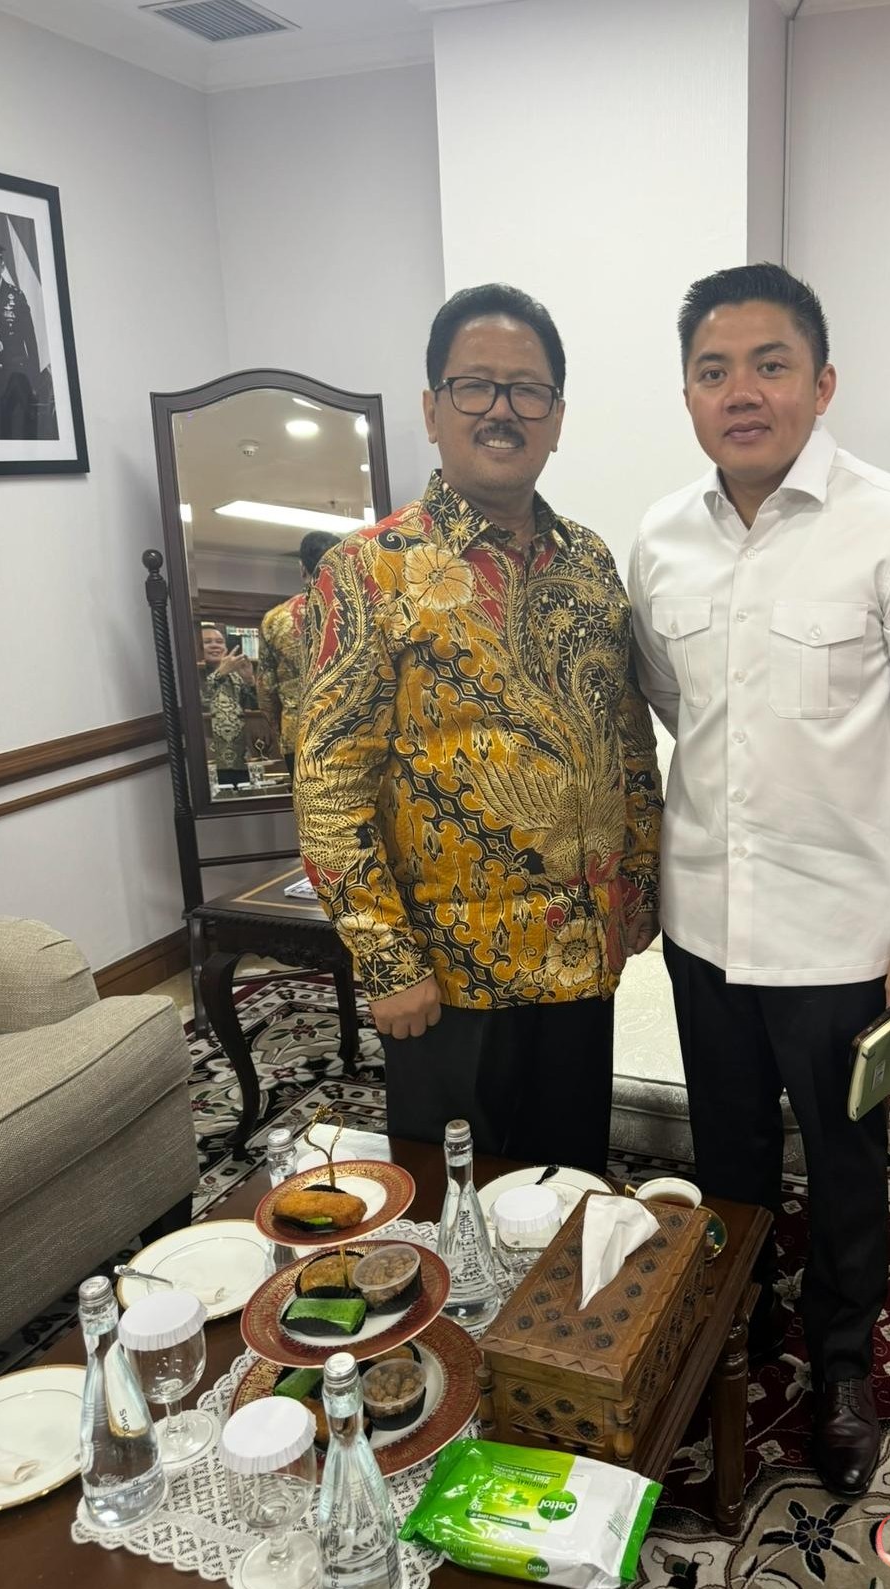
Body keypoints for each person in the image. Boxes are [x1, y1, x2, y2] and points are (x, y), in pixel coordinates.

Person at [628, 263, 890, 1499]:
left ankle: (841, 1360)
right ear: (688, 393)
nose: (742, 391)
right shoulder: (662, 540)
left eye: (770, 364)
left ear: (823, 382)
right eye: (713, 370)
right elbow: (678, 708)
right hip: (704, 922)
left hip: (843, 936)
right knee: (727, 1151)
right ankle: (736, 1324)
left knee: (843, 1164)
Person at [295, 284, 661, 1172]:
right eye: (475, 386)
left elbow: (628, 741)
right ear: (433, 409)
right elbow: (328, 785)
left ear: (557, 418)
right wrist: (386, 958)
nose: (502, 409)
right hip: (448, 980)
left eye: (527, 390)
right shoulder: (366, 571)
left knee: (569, 1189)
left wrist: (641, 886)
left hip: (581, 960)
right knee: (455, 1209)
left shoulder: (590, 561)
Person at [256, 530, 339, 784]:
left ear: (302, 568)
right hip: (352, 731)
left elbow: (266, 690)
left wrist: (281, 730)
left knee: (308, 807)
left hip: (298, 734)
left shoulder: (275, 620)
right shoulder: (360, 612)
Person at [197, 624, 256, 786]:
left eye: (219, 642)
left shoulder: (235, 677)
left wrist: (249, 680)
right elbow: (200, 702)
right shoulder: (195, 673)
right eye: (208, 642)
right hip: (210, 756)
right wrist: (219, 673)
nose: (215, 645)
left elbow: (255, 708)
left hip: (241, 757)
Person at [0, 237, 39, 441]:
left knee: (15, 430)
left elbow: (30, 339)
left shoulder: (16, 296)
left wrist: (35, 379)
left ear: (2, 265)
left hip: (14, 375)